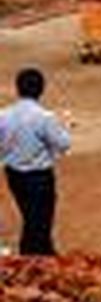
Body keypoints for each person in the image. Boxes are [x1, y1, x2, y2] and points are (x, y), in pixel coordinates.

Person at [0, 68, 71, 255]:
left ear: (17, 89)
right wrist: (64, 127)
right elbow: (63, 144)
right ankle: (33, 257)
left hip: (13, 174)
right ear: (41, 90)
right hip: (39, 176)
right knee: (40, 220)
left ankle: (45, 252)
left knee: (30, 215)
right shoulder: (44, 117)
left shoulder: (3, 115)